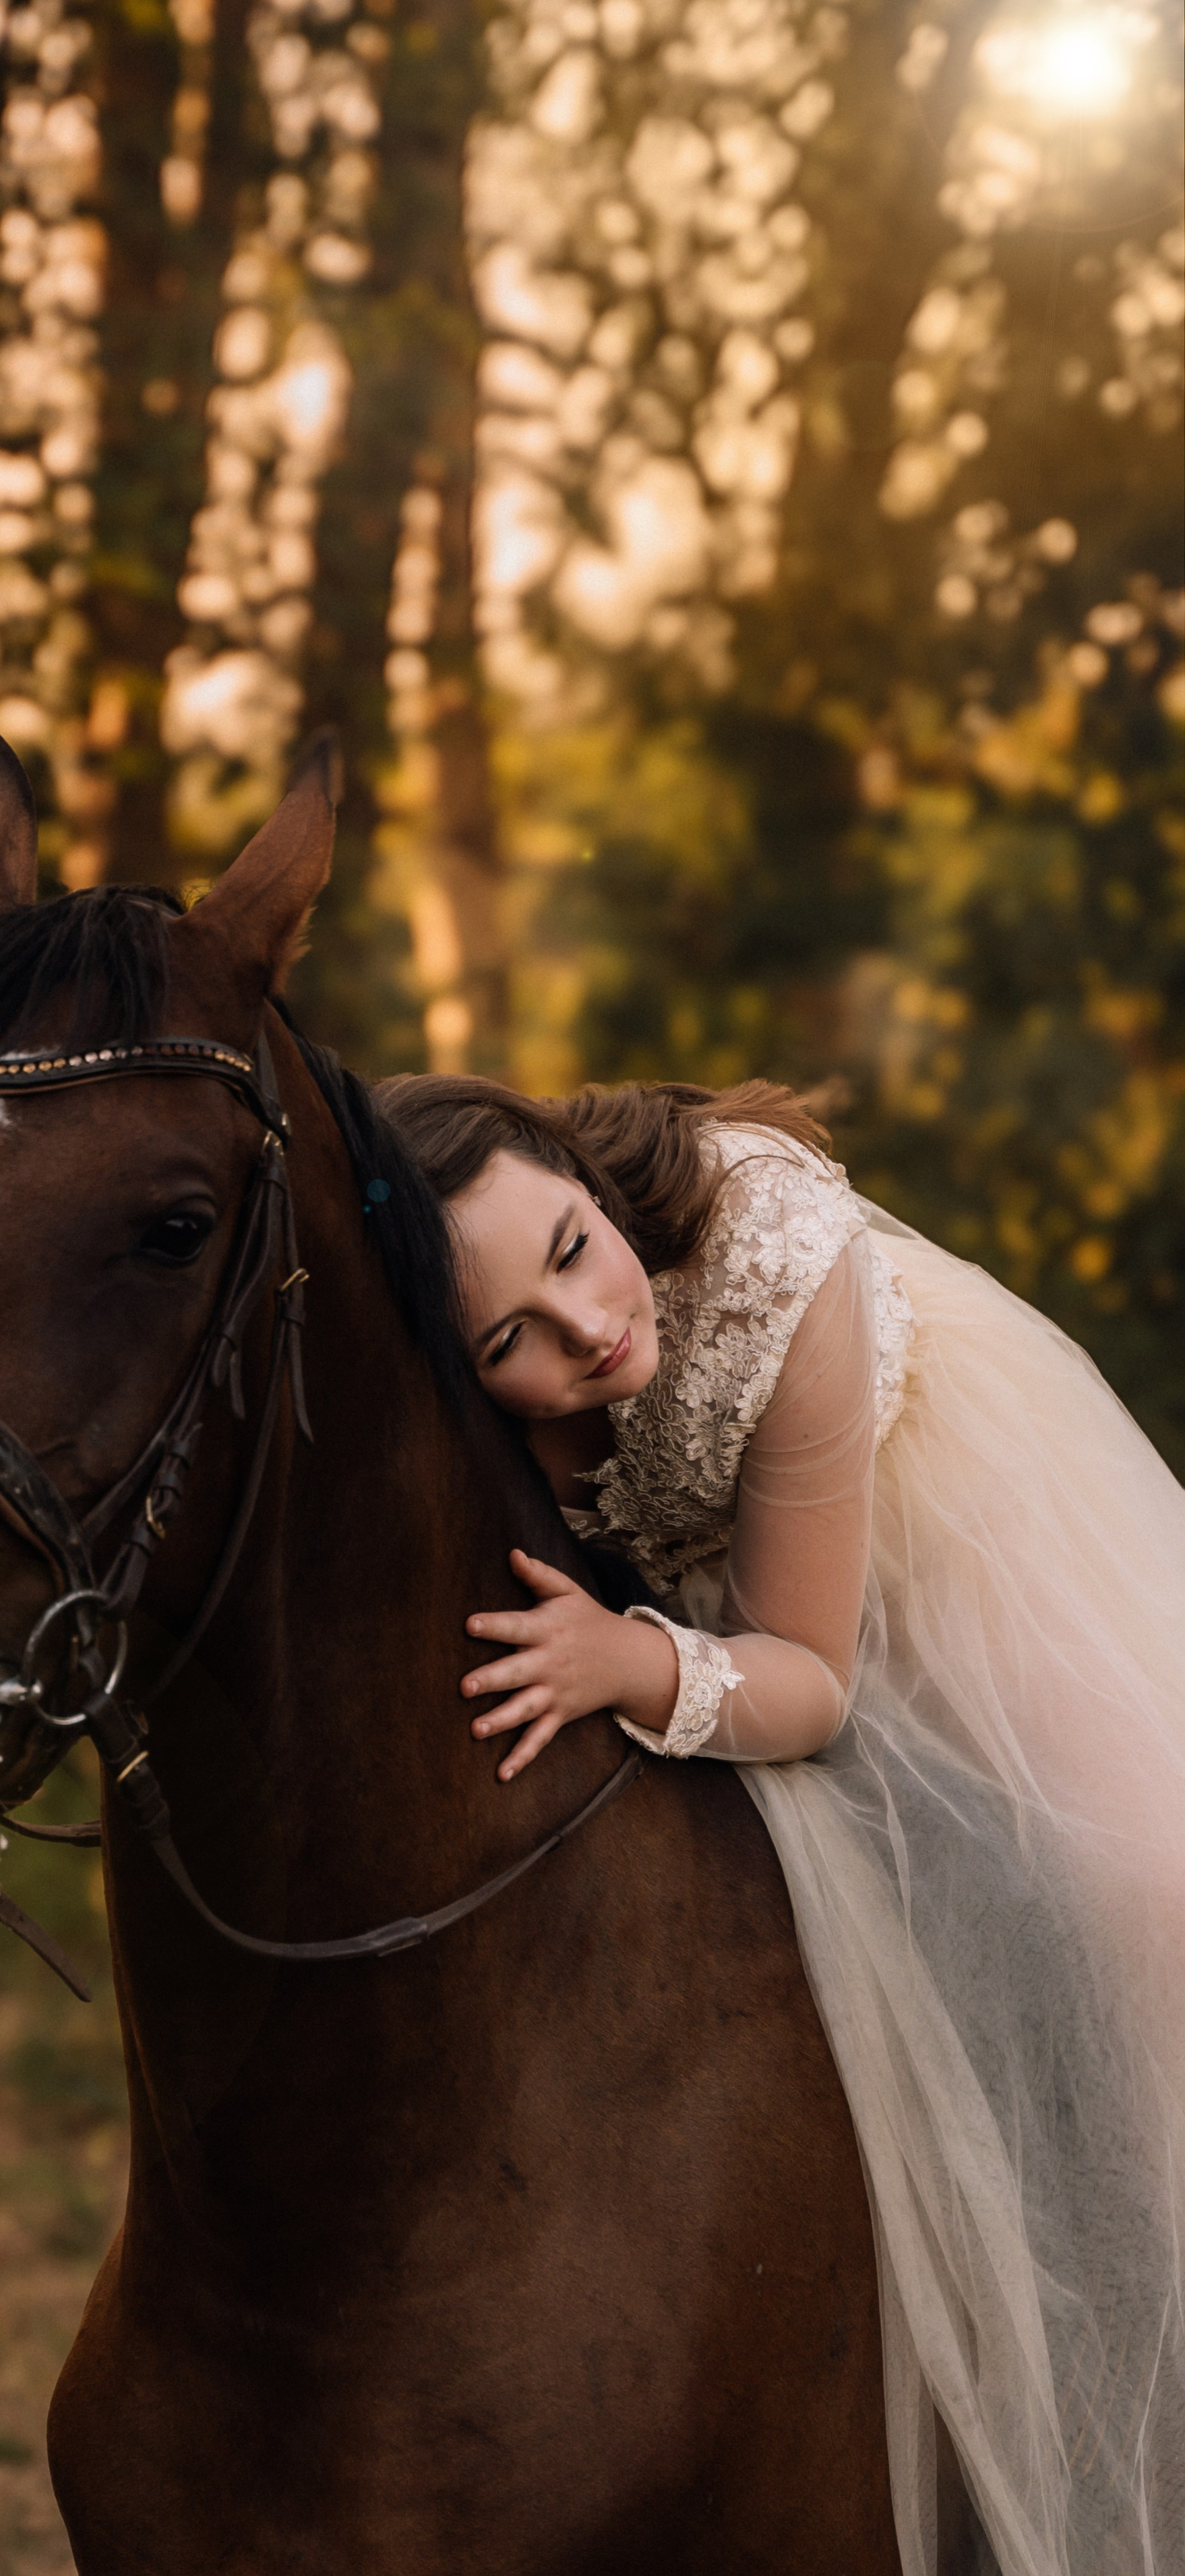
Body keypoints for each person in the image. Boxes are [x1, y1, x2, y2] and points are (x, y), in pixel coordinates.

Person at [375, 1071, 1185, 2576]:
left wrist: (633, 1665)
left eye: (569, 1252)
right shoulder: (476, 1383)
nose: (585, 1333)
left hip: (927, 1573)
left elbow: (810, 1680)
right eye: (510, 1346)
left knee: (1147, 1880)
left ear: (576, 1172)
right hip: (731, 1621)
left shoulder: (763, 1262)